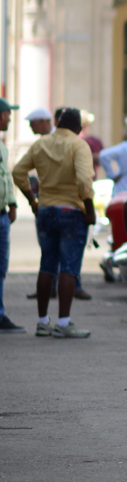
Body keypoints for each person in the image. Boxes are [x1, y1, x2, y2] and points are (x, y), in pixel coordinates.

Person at [13, 106, 95, 339]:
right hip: (71, 211)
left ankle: (42, 322)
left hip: (46, 210)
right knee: (69, 268)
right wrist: (89, 210)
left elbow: (19, 172)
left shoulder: (41, 144)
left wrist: (33, 200)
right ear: (78, 128)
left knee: (47, 265)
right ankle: (63, 322)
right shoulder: (79, 145)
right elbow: (84, 181)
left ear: (57, 123)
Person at [0, 96, 22, 333]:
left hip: (2, 214)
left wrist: (12, 203)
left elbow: (4, 178)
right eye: (7, 113)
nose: (10, 118)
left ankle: (0, 314)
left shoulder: (2, 145)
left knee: (1, 268)